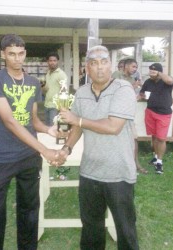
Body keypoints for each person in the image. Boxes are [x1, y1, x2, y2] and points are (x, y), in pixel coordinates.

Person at [0, 34, 62, 250]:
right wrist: (45, 149)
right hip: (3, 156)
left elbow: (32, 120)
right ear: (3, 54)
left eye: (20, 53)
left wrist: (49, 130)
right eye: (11, 54)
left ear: (25, 53)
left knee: (29, 210)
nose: (17, 58)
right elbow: (9, 121)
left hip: (28, 156)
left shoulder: (33, 82)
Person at [58, 45, 139, 250]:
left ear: (110, 65)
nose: (99, 67)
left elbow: (113, 126)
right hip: (90, 173)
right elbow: (76, 126)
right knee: (91, 230)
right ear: (87, 68)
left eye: (104, 61)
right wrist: (66, 149)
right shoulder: (83, 92)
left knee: (126, 230)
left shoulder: (123, 89)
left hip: (118, 174)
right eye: (94, 63)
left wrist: (79, 119)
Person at [112, 58, 148, 174]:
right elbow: (116, 92)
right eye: (133, 66)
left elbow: (129, 96)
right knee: (116, 140)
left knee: (134, 139)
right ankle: (118, 166)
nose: (135, 69)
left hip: (128, 114)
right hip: (115, 114)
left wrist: (139, 96)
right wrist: (133, 86)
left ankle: (136, 164)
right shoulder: (117, 74)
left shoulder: (133, 78)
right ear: (126, 66)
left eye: (136, 67)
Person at [139, 63, 173, 174]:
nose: (151, 73)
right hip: (150, 111)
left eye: (154, 71)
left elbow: (169, 81)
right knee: (154, 137)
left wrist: (159, 74)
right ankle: (155, 157)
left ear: (159, 72)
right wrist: (143, 95)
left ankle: (159, 162)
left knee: (161, 139)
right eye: (150, 71)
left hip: (164, 114)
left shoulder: (166, 80)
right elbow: (142, 92)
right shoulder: (148, 82)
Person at [42, 52, 67, 126]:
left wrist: (62, 108)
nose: (52, 62)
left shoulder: (61, 74)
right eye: (50, 60)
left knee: (53, 128)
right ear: (47, 62)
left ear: (57, 61)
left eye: (54, 60)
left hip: (55, 107)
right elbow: (47, 89)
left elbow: (64, 91)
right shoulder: (48, 73)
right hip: (47, 105)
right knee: (48, 129)